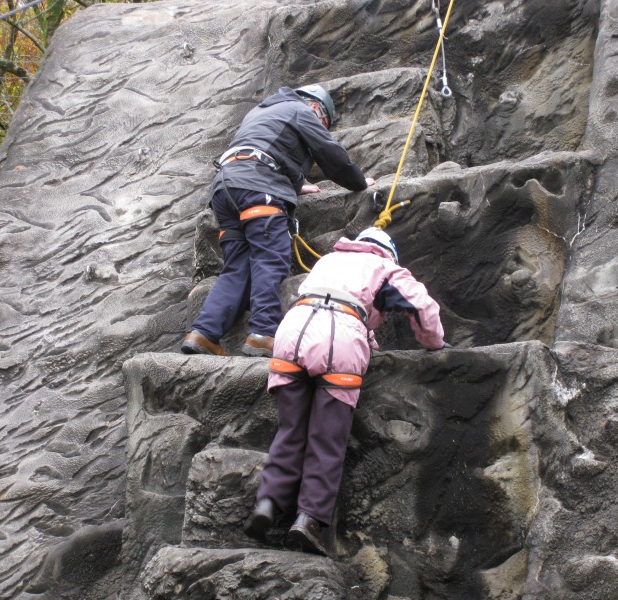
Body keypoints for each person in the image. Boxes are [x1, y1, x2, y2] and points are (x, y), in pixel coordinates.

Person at [244, 227, 448, 556]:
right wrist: (434, 343)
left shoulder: (329, 260)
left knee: (291, 430)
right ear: (387, 253)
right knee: (327, 439)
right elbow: (421, 307)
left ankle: (267, 503)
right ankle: (308, 520)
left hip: (292, 334)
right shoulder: (386, 268)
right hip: (339, 341)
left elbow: (333, 304)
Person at [181, 84, 375, 357]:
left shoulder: (260, 112)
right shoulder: (301, 110)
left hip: (225, 189)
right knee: (270, 258)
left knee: (237, 267)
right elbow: (328, 151)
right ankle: (262, 333)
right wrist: (358, 182)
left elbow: (272, 148)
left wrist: (294, 185)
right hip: (258, 187)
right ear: (316, 107)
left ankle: (203, 334)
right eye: (323, 122)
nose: (322, 125)